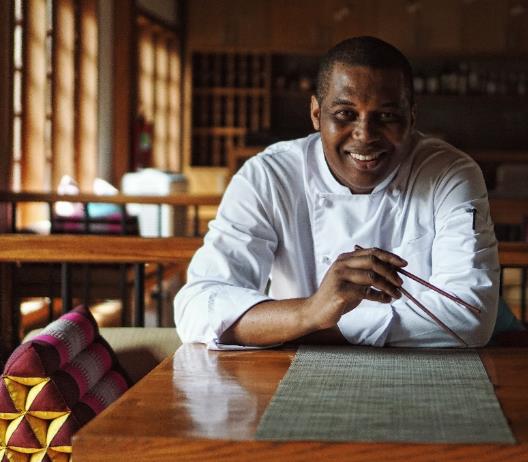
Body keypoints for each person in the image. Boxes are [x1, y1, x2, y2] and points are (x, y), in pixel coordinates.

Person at [174, 36, 499, 349]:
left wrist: (304, 326)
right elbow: (197, 309)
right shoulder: (270, 176)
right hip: (294, 369)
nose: (364, 135)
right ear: (316, 114)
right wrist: (311, 311)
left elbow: (470, 315)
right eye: (345, 114)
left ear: (412, 116)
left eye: (386, 116)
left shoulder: (449, 173)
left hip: (422, 371)